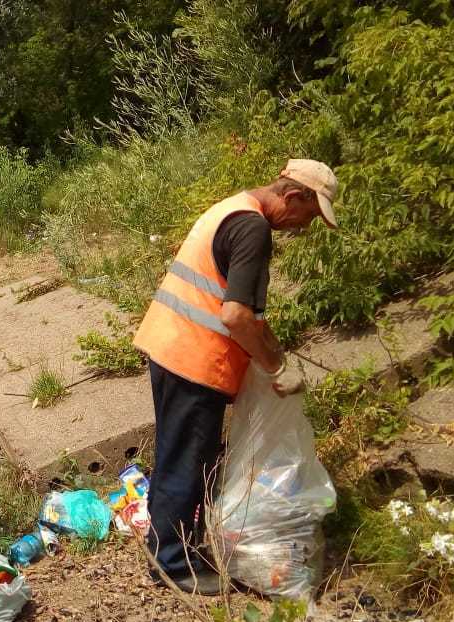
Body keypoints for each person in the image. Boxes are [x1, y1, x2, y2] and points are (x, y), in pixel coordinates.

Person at [132, 159, 339, 595]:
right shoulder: (253, 229)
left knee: (181, 455)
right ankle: (173, 564)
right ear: (293, 195)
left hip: (171, 345)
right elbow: (237, 315)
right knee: (186, 462)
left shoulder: (232, 207)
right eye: (309, 213)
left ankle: (170, 546)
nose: (305, 225)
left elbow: (239, 308)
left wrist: (274, 351)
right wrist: (275, 367)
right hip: (193, 358)